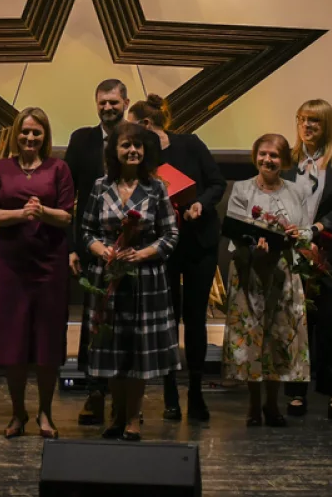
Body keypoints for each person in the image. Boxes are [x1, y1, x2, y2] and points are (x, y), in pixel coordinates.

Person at [127, 94, 225, 422]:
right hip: (163, 248)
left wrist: (200, 204)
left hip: (198, 243)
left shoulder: (190, 144)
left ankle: (196, 391)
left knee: (195, 319)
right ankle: (170, 394)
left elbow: (216, 183)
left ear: (145, 123)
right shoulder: (140, 156)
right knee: (166, 320)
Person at [83, 121, 181, 441]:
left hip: (145, 280)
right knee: (112, 347)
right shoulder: (100, 186)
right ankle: (116, 413)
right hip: (108, 277)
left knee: (138, 350)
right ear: (114, 150)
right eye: (126, 145)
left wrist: (142, 254)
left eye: (138, 146)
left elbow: (171, 235)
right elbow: (87, 232)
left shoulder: (157, 188)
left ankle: (134, 417)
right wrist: (104, 251)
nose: (133, 151)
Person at [0, 107, 75, 439]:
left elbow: (66, 216)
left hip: (49, 263)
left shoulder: (59, 168)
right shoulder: (0, 167)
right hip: (11, 264)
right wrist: (22, 215)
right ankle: (17, 413)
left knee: (47, 340)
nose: (30, 137)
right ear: (15, 134)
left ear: (45, 136)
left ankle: (45, 413)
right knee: (14, 340)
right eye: (25, 131)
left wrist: (42, 211)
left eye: (36, 132)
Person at [223, 134, 312, 427]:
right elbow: (235, 228)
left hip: (282, 272)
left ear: (284, 160)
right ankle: (252, 404)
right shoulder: (242, 188)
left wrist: (298, 234)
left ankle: (272, 403)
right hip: (249, 272)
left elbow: (305, 229)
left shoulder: (297, 190)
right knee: (252, 336)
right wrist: (254, 245)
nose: (267, 160)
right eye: (262, 154)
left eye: (274, 155)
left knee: (279, 337)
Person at [282, 99, 332, 420]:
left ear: (326, 124)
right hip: (294, 254)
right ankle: (296, 392)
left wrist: (317, 229)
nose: (307, 126)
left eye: (314, 120)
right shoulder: (287, 159)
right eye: (302, 119)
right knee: (297, 325)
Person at [66, 79, 130, 425]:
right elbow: (68, 195)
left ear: (126, 103)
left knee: (128, 324)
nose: (107, 108)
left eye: (113, 102)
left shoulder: (139, 139)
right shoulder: (81, 140)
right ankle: (94, 393)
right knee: (94, 322)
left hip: (133, 249)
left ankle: (127, 400)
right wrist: (72, 247)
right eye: (102, 102)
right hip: (92, 246)